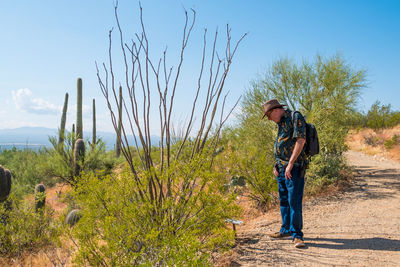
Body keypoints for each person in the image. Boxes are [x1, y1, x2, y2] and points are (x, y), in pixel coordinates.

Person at [262, 99, 307, 248]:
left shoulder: (295, 117)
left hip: (294, 168)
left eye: (268, 116)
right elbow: (281, 145)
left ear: (275, 110)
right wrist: (277, 165)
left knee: (294, 201)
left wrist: (291, 163)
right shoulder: (280, 123)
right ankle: (286, 229)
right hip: (281, 169)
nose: (269, 119)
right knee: (284, 201)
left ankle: (297, 236)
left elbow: (301, 140)